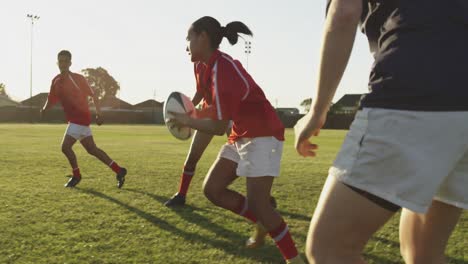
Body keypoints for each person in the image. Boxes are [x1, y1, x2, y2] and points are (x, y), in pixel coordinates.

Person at [294, 0, 468, 263]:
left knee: (330, 249)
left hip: (415, 91)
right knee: (423, 252)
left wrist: (318, 110)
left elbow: (343, 13)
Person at [169, 17, 304, 263]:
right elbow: (201, 97)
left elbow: (218, 126)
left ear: (202, 37)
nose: (186, 45)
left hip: (263, 135)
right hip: (241, 135)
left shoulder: (225, 69)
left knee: (259, 203)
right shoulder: (202, 65)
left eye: (189, 38)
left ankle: (293, 258)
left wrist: (187, 120)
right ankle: (263, 222)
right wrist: (186, 112)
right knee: (212, 190)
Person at [41, 50, 127, 188]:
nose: (62, 64)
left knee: (65, 147)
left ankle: (76, 175)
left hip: (80, 118)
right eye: (60, 61)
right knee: (93, 150)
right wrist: (45, 109)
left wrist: (99, 114)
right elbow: (50, 98)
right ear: (58, 63)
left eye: (65, 61)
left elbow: (93, 95)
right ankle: (119, 170)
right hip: (76, 121)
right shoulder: (56, 81)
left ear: (70, 63)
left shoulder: (78, 79)